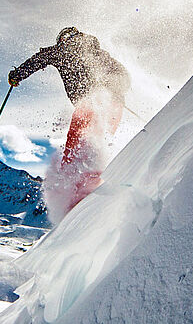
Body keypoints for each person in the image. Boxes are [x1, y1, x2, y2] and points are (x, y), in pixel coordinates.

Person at [8, 27, 130, 214]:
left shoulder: (62, 50)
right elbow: (122, 74)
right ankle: (98, 179)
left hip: (90, 103)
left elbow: (39, 58)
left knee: (77, 145)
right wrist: (114, 89)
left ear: (64, 39)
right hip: (114, 105)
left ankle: (75, 188)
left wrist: (18, 75)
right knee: (99, 142)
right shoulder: (98, 52)